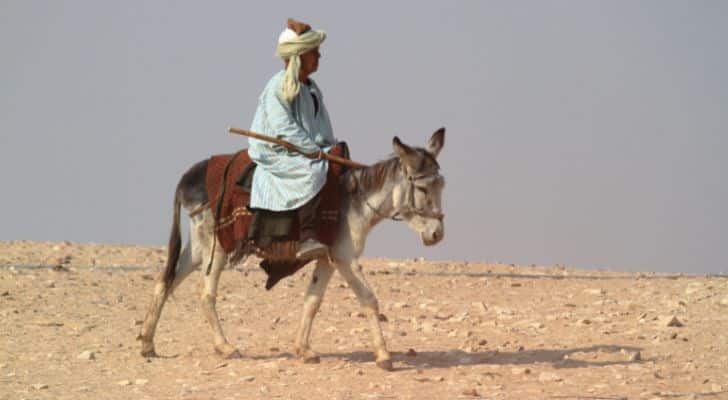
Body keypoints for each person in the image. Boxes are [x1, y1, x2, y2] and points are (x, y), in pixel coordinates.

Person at [248, 18, 335, 260]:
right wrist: (312, 151)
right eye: (314, 52)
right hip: (276, 151)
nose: (319, 56)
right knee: (313, 172)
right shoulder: (277, 86)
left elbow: (322, 126)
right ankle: (307, 238)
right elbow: (283, 128)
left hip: (305, 149)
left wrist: (330, 148)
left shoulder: (312, 87)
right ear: (299, 55)